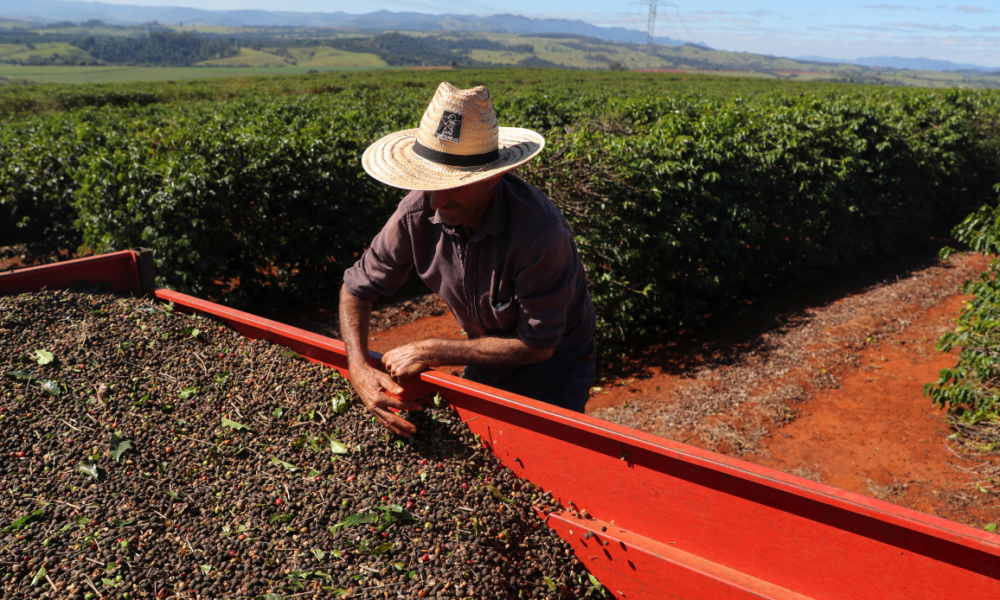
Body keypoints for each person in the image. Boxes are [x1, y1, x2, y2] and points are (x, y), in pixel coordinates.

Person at [339, 82, 596, 436]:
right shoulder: (418, 210)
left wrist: (431, 349)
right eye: (431, 186)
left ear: (493, 178)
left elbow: (539, 347)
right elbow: (356, 288)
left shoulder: (540, 234)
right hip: (485, 350)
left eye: (453, 187)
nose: (438, 204)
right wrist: (357, 366)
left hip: (557, 365)